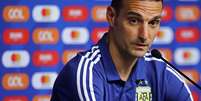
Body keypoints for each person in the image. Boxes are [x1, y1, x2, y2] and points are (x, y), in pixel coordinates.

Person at [51, 0, 193, 101]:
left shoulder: (160, 73)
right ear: (111, 17)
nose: (144, 35)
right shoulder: (84, 74)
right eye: (134, 21)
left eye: (153, 23)